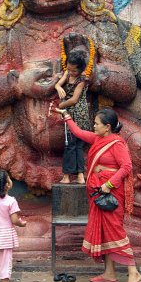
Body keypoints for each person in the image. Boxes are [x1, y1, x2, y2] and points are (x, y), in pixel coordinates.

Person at [54, 107, 141, 282]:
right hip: (99, 193)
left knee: (116, 232)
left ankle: (133, 274)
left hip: (111, 194)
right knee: (105, 232)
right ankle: (109, 273)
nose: (94, 126)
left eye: (97, 124)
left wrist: (110, 184)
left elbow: (126, 167)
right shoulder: (98, 139)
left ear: (107, 126)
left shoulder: (117, 144)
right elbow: (79, 132)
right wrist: (66, 115)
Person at [55, 50, 90, 184]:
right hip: (68, 112)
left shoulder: (82, 79)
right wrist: (58, 87)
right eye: (69, 69)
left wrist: (61, 106)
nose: (71, 73)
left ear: (80, 69)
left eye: (74, 71)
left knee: (76, 145)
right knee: (69, 144)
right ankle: (68, 176)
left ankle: (79, 174)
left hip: (78, 114)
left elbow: (74, 99)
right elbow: (58, 84)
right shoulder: (68, 71)